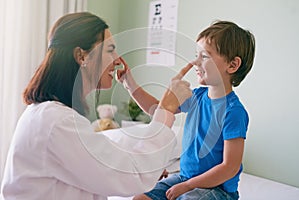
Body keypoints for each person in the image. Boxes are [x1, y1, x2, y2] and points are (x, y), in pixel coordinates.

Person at [0, 12, 193, 200]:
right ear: (81, 56)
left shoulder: (49, 115)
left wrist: (150, 165)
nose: (118, 60)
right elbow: (131, 174)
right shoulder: (56, 122)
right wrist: (166, 109)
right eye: (110, 50)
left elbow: (109, 160)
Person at [119, 21, 255, 200]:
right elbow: (158, 109)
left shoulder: (233, 112)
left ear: (232, 65)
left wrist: (188, 186)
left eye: (204, 56)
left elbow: (230, 167)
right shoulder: (197, 97)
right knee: (139, 198)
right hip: (185, 178)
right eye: (196, 55)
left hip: (218, 189)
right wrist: (130, 85)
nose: (195, 62)